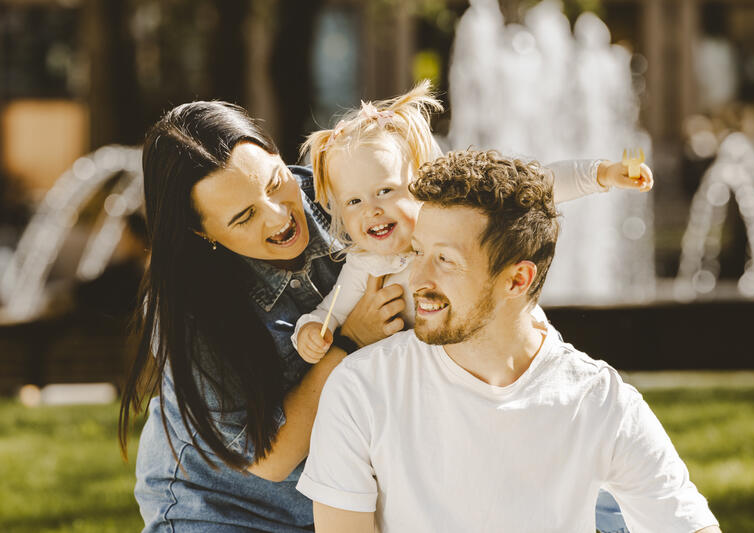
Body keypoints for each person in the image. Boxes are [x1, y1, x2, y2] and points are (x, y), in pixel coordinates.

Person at [118, 101, 642, 532]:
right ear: (203, 234)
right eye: (244, 215)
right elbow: (271, 461)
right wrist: (349, 342)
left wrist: (597, 175)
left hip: (352, 501)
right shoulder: (187, 311)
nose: (280, 215)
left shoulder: (346, 193)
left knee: (595, 505)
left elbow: (490, 205)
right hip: (226, 512)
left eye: (276, 182)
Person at [297, 150, 722, 533]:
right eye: (418, 252)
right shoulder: (361, 389)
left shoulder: (598, 401)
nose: (417, 278)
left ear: (517, 279)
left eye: (445, 260)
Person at [293, 81, 652, 364]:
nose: (370, 209)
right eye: (354, 201)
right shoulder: (365, 265)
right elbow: (328, 314)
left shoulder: (455, 217)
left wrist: (602, 174)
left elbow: (535, 186)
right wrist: (309, 331)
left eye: (385, 191)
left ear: (419, 181)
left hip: (501, 360)